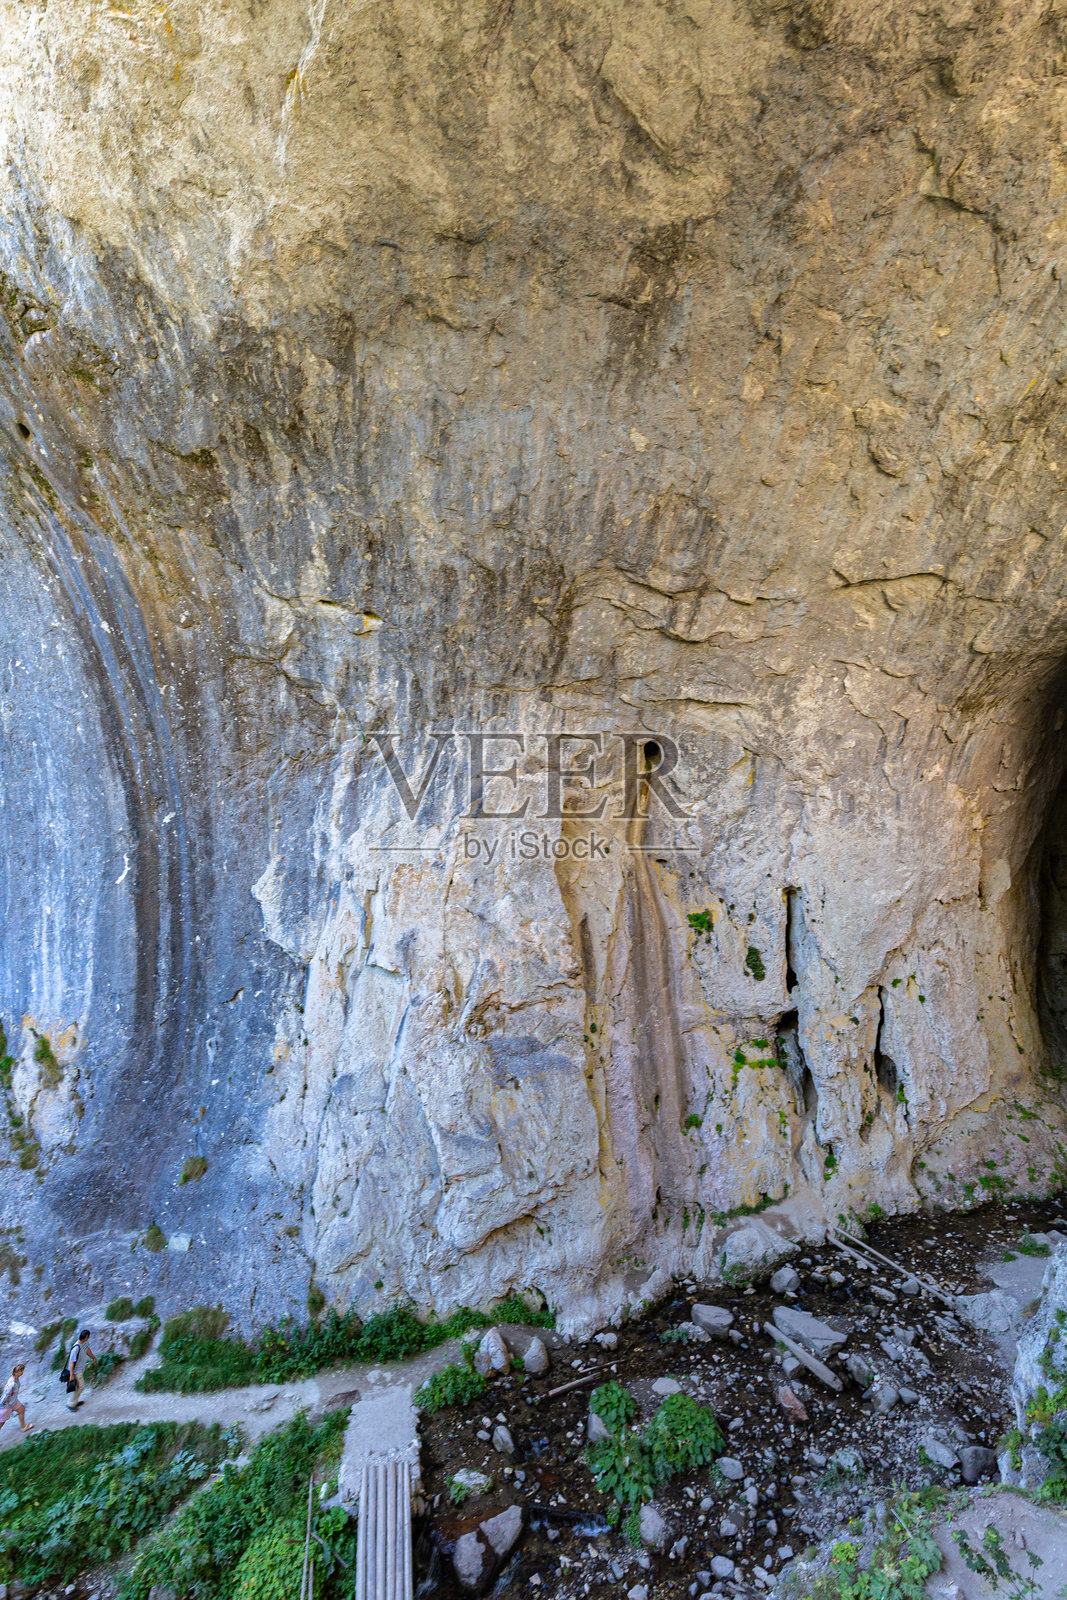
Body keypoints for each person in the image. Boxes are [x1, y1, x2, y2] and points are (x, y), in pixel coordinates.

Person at [66, 1328, 96, 1410]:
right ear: (86, 1337)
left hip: (81, 1369)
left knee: (79, 1386)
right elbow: (71, 1362)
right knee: (81, 1386)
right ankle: (71, 1404)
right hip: (76, 1371)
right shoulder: (76, 1348)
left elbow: (87, 1350)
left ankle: (75, 1402)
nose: (89, 1337)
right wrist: (71, 1375)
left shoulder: (85, 1343)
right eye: (88, 1336)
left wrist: (93, 1358)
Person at [0, 1361, 32, 1435]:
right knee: (1, 1422)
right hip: (7, 1405)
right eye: (20, 1371)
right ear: (16, 1372)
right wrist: (2, 1404)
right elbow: (5, 1395)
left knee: (21, 1409)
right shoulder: (12, 1384)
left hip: (13, 1401)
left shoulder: (15, 1379)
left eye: (22, 1370)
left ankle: (23, 1427)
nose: (22, 1372)